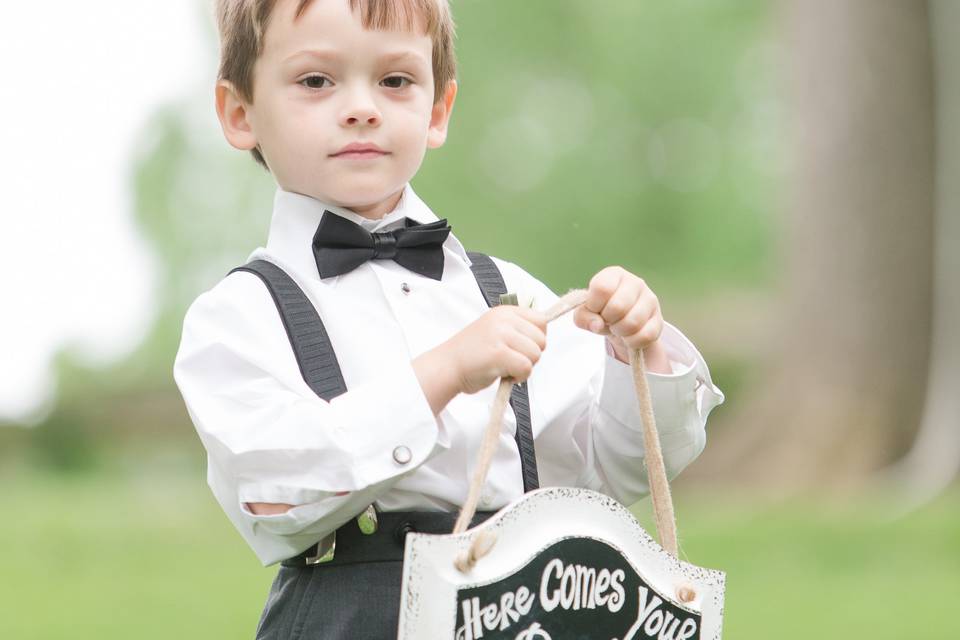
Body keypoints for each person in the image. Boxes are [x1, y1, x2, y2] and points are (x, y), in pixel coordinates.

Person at [173, 0, 725, 637]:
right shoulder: (239, 315)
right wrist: (443, 373)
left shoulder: (506, 291)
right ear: (240, 114)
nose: (362, 107)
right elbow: (274, 490)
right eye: (316, 81)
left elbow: (609, 473)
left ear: (437, 110)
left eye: (395, 81)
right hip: (352, 614)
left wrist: (639, 352)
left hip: (519, 608)